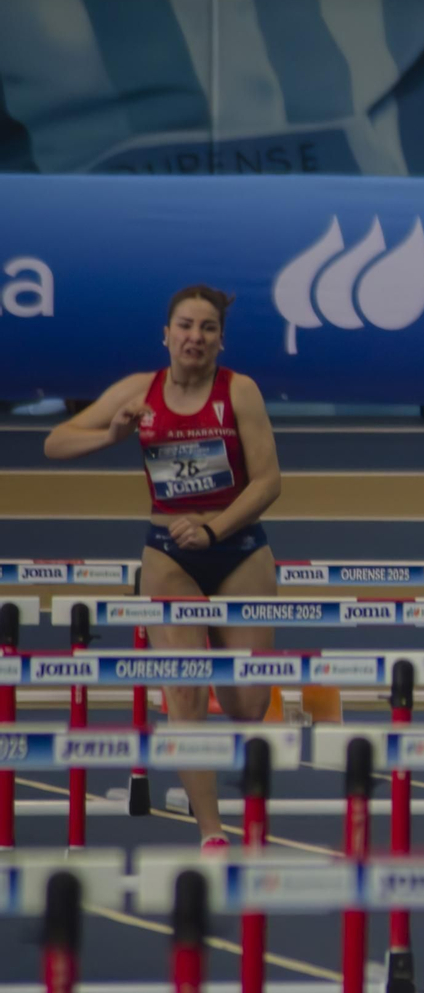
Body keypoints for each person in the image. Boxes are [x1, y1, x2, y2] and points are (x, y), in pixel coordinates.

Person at [43, 284, 282, 848]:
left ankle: (249, 811)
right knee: (187, 692)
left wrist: (212, 529)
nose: (194, 336)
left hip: (238, 545)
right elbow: (55, 441)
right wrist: (111, 434)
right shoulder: (138, 390)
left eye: (206, 328)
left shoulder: (239, 392)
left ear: (221, 341)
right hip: (168, 554)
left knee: (249, 701)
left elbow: (270, 481)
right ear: (166, 335)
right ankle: (212, 832)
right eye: (184, 326)